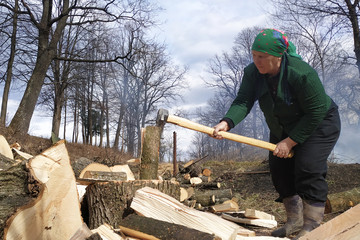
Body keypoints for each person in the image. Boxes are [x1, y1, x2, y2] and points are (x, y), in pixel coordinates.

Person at [212, 28, 341, 239]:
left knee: (308, 167)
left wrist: (290, 142)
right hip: (284, 125)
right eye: (254, 55)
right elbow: (244, 100)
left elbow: (316, 111)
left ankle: (312, 227)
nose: (257, 61)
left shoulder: (302, 73)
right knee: (279, 170)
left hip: (319, 122)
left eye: (262, 57)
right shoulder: (252, 73)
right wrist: (226, 122)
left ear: (278, 56)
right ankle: (294, 222)